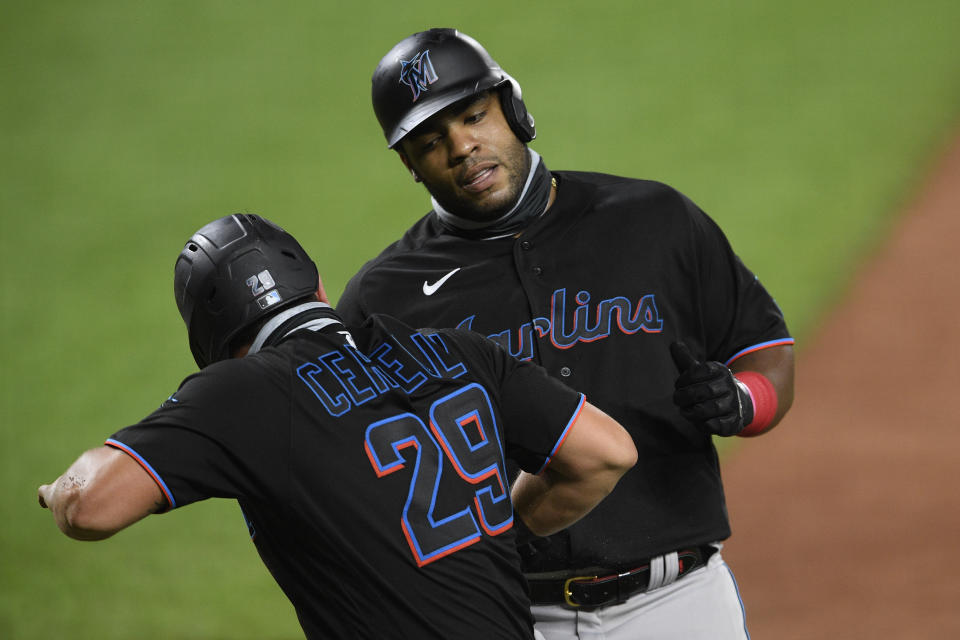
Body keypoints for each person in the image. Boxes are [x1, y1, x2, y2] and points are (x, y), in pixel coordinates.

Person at [336, 28, 796, 639]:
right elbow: (345, 469)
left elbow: (765, 353)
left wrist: (742, 401)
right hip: (507, 615)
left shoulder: (654, 220)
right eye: (430, 140)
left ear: (514, 108)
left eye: (474, 116)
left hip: (679, 605)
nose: (463, 147)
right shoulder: (383, 299)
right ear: (409, 164)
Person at [38, 213, 637, 640]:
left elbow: (91, 506)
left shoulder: (242, 392)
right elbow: (606, 454)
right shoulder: (461, 352)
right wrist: (500, 532)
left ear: (210, 344)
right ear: (318, 287)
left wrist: (58, 492)